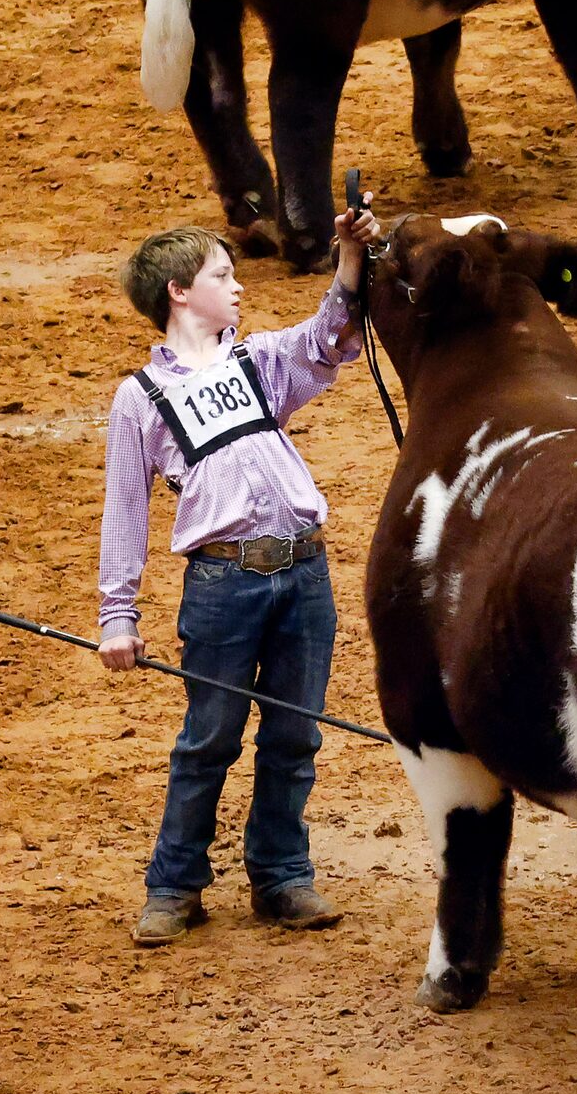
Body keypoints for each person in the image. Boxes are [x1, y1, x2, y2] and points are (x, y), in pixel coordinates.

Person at [98, 209, 383, 944]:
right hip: (223, 584)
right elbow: (126, 508)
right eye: (223, 275)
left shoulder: (259, 362)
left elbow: (330, 335)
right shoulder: (140, 398)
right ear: (178, 292)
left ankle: (283, 878)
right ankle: (174, 885)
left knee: (296, 735)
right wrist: (117, 616)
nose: (238, 286)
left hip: (304, 571)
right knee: (210, 736)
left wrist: (349, 256)